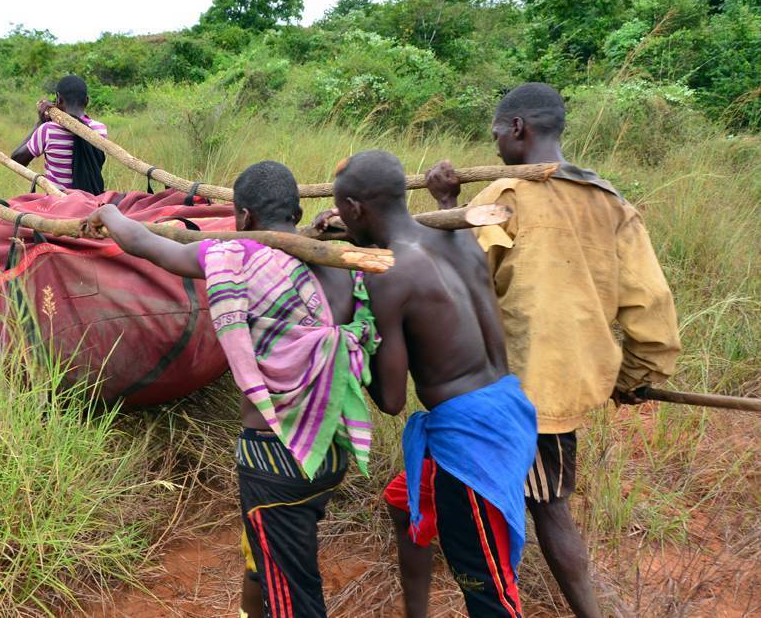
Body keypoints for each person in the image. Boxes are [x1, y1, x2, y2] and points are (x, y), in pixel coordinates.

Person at [422, 82, 681, 618]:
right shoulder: (611, 203)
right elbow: (650, 304)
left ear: (517, 128)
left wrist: (448, 206)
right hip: (562, 391)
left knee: (536, 511)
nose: (493, 145)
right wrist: (633, 375)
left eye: (496, 132)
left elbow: (458, 281)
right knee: (534, 504)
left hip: (509, 394)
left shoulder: (503, 197)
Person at [82, 161, 377, 618]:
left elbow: (144, 243)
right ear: (299, 212)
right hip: (330, 444)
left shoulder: (235, 256)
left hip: (275, 458)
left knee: (294, 591)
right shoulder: (339, 264)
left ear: (243, 218)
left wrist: (108, 212)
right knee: (267, 556)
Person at [327, 149, 537, 618]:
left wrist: (343, 344)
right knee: (404, 504)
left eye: (342, 210)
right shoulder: (459, 237)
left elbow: (391, 399)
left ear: (356, 210)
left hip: (472, 441)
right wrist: (446, 198)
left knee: (487, 586)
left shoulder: (390, 278)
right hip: (508, 406)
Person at [11, 75, 107, 195]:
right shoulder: (100, 130)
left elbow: (17, 160)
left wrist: (40, 122)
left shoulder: (48, 130)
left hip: (57, 202)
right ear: (87, 101)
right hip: (91, 199)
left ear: (59, 100)